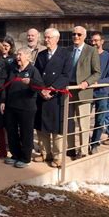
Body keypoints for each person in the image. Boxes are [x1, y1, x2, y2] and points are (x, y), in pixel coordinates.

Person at [34, 28, 72, 168]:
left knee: (56, 129)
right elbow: (36, 74)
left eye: (49, 37)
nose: (46, 40)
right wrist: (41, 89)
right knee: (41, 127)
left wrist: (51, 89)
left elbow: (66, 75)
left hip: (56, 96)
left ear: (57, 39)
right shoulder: (41, 54)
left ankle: (57, 157)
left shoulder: (65, 54)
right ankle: (45, 153)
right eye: (45, 37)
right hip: (41, 94)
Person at [0, 47, 44, 168]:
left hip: (27, 107)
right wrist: (3, 101)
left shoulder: (33, 70)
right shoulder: (13, 69)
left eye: (20, 55)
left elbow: (40, 86)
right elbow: (5, 86)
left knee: (26, 133)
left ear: (27, 57)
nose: (17, 57)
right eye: (17, 55)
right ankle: (15, 154)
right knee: (12, 131)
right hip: (11, 105)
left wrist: (30, 82)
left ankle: (25, 158)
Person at [67, 26, 101, 160]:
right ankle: (70, 149)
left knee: (83, 122)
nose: (76, 36)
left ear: (84, 36)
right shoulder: (68, 50)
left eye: (79, 34)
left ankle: (83, 150)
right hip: (68, 91)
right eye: (74, 34)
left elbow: (97, 72)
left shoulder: (91, 50)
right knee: (69, 122)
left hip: (83, 90)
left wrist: (86, 83)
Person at [89, 32, 109, 154]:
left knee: (100, 119)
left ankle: (95, 143)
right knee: (83, 119)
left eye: (96, 40)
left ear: (102, 41)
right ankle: (84, 144)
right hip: (87, 92)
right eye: (92, 41)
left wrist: (98, 82)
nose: (94, 43)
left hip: (102, 92)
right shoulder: (87, 55)